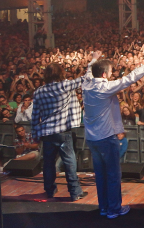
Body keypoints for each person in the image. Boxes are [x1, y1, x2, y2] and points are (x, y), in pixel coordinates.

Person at [82, 51, 144, 218]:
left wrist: (93, 58)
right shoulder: (104, 87)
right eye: (110, 72)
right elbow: (127, 80)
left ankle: (104, 207)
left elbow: (87, 71)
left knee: (100, 175)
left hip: (91, 138)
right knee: (113, 175)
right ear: (104, 74)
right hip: (106, 137)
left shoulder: (86, 83)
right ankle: (114, 209)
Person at [31, 61, 89, 201]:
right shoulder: (64, 85)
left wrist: (34, 133)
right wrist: (93, 60)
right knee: (69, 162)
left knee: (48, 163)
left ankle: (50, 190)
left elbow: (35, 115)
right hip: (63, 131)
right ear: (60, 73)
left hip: (47, 132)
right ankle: (75, 192)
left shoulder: (38, 91)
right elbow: (85, 78)